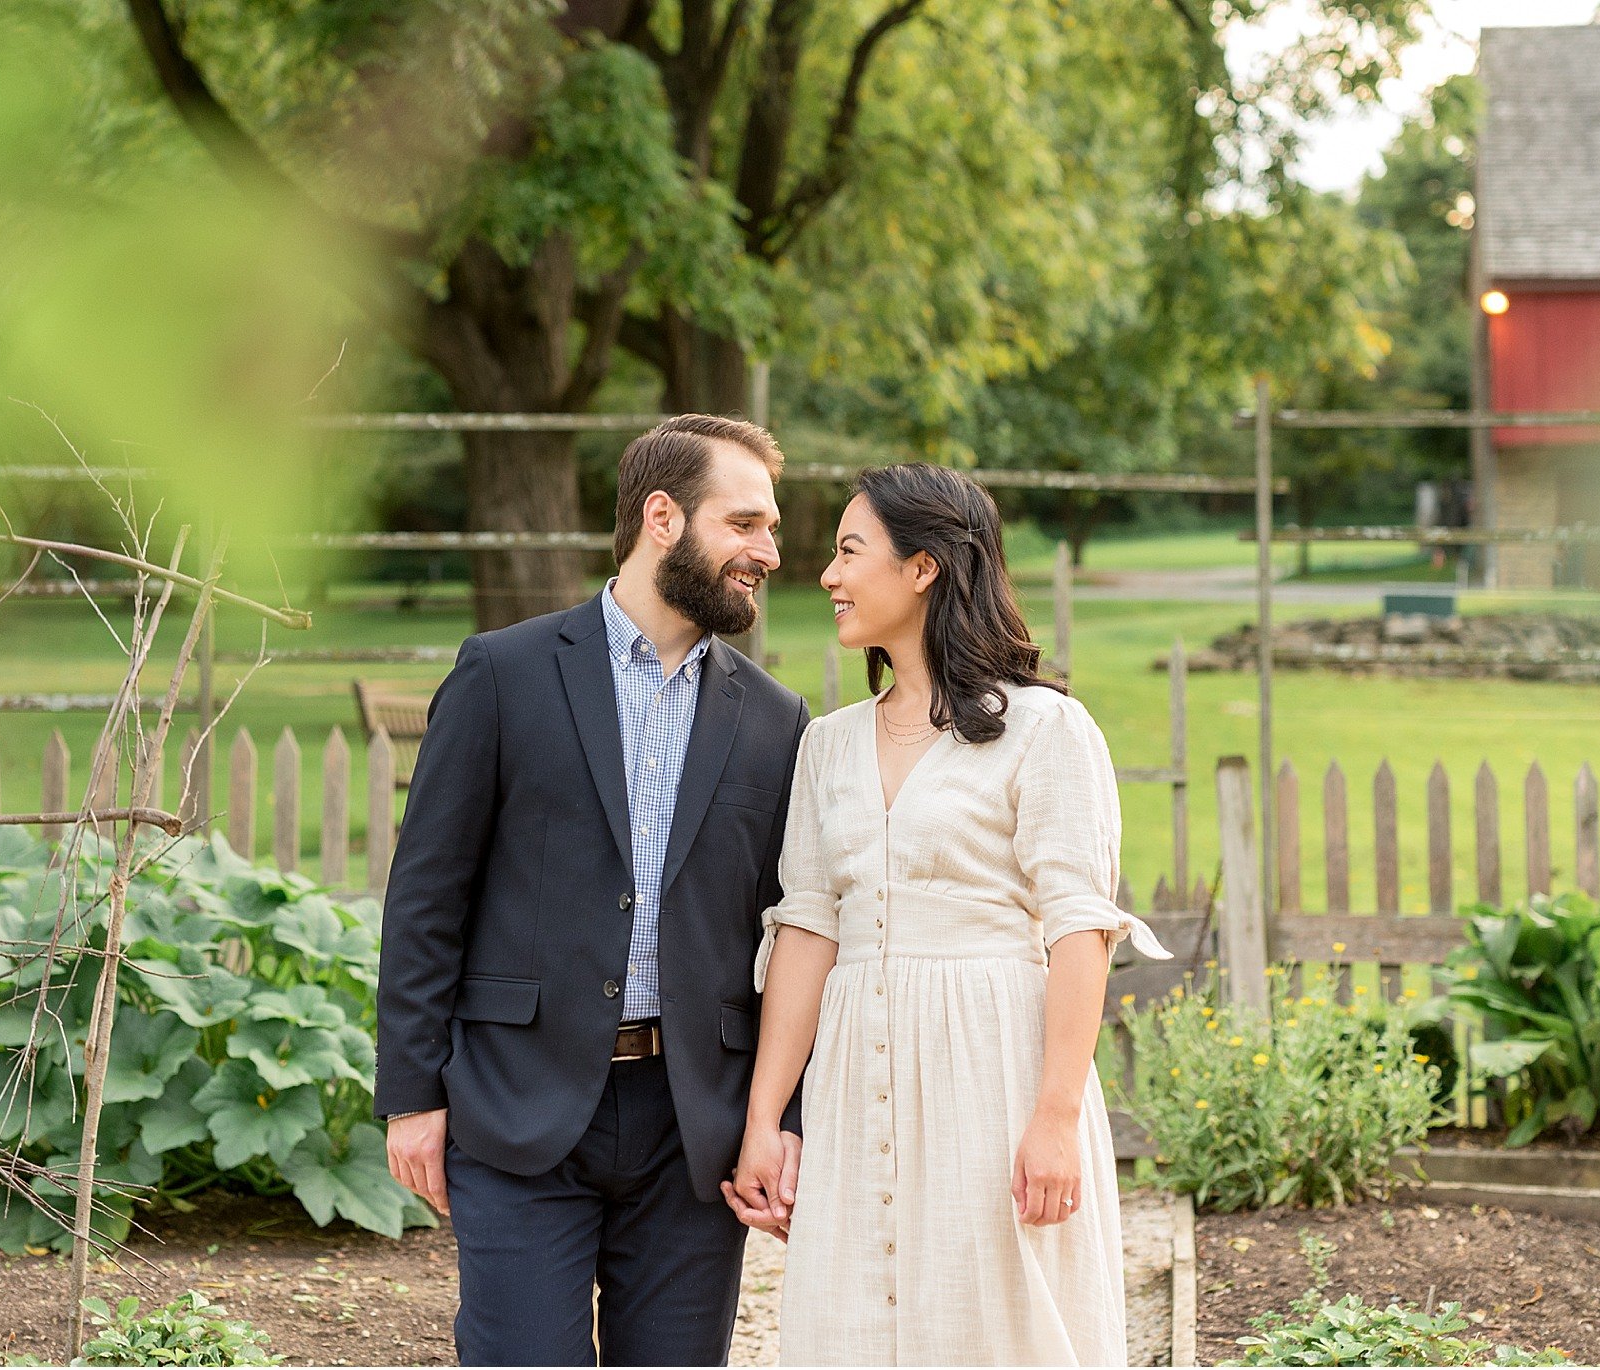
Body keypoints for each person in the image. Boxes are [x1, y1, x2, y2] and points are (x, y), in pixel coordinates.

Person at [375, 414, 812, 1366]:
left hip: (692, 1122)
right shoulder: (503, 673)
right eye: (745, 524)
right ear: (663, 516)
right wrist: (412, 1095)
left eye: (770, 528)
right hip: (517, 1103)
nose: (769, 552)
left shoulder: (777, 721)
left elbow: (792, 934)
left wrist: (781, 1120)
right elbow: (425, 897)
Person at [727, 463, 1171, 1366]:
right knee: (854, 1324)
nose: (827, 575)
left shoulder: (1044, 730)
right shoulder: (827, 744)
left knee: (999, 1326)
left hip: (993, 1077)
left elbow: (1078, 930)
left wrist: (1053, 1119)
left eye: (851, 551)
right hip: (856, 1080)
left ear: (924, 567)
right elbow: (808, 933)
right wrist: (765, 1123)